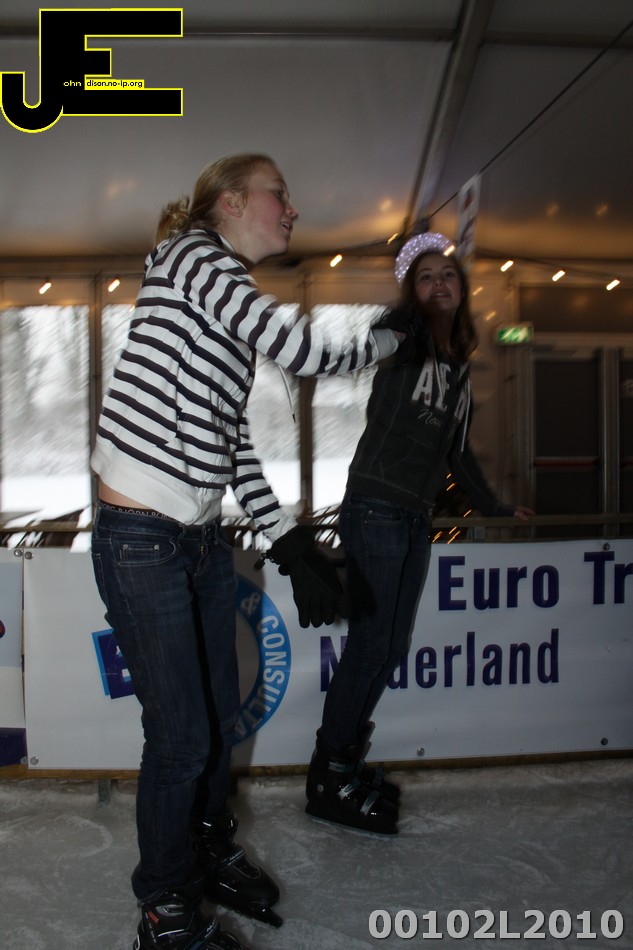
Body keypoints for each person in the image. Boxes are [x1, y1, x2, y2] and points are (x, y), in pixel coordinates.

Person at [89, 153, 401, 950]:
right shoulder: (192, 256)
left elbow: (231, 448)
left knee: (217, 719)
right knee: (181, 736)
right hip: (140, 539)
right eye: (279, 195)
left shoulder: (216, 311)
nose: (291, 210)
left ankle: (203, 847)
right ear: (229, 202)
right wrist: (382, 339)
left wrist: (289, 541)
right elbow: (296, 349)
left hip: (195, 540)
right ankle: (163, 911)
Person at [305, 231, 533, 837]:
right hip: (375, 506)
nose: (438, 284)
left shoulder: (458, 369)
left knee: (389, 647)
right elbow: (387, 327)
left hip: (412, 516)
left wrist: (493, 507)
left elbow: (459, 454)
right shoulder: (405, 339)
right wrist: (407, 313)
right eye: (425, 277)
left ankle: (343, 764)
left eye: (447, 275)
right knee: (369, 647)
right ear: (414, 293)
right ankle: (328, 777)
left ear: (463, 289)